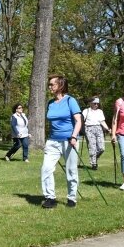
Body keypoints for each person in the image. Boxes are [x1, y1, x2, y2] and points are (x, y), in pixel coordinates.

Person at [40, 75, 83, 209]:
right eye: (49, 84)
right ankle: (50, 198)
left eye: (52, 84)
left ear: (60, 86)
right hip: (53, 141)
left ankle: (71, 198)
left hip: (69, 141)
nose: (49, 87)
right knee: (46, 169)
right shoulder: (50, 103)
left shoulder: (70, 100)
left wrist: (74, 136)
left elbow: (78, 121)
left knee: (71, 170)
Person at [82, 97, 110, 170]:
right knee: (92, 147)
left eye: (97, 103)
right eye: (95, 103)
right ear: (90, 103)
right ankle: (93, 163)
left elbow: (102, 121)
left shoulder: (100, 111)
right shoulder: (86, 111)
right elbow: (81, 120)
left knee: (101, 148)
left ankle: (94, 157)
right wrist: (81, 128)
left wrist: (108, 129)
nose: (96, 105)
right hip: (89, 129)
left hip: (99, 129)